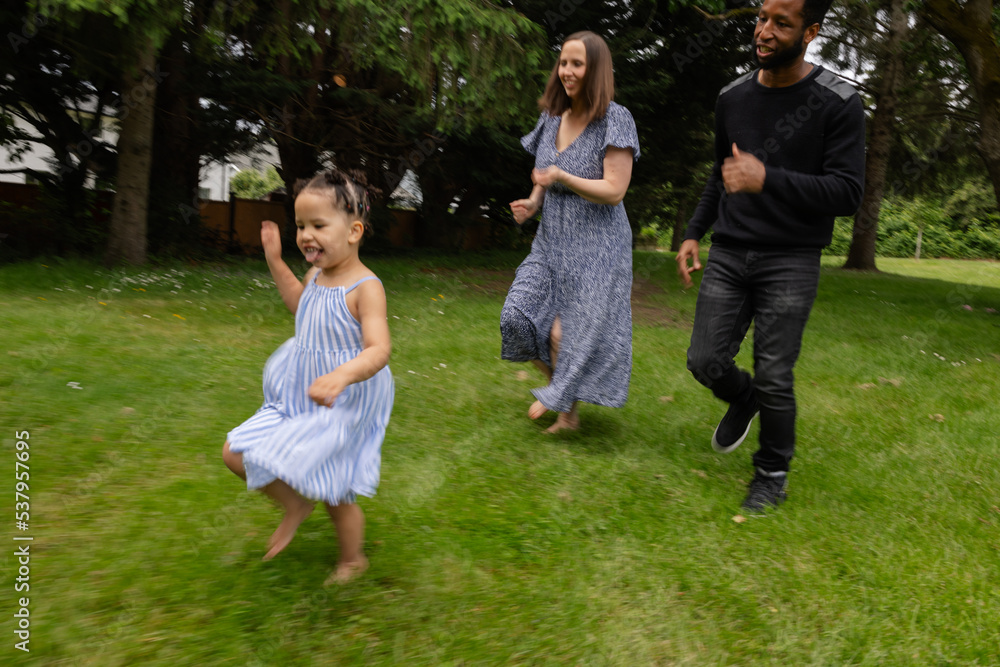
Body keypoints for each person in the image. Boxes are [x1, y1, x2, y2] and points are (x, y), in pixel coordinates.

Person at [676, 0, 865, 511]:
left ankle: (771, 474)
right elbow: (723, 172)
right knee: (704, 359)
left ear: (811, 32)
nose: (764, 31)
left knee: (775, 374)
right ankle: (743, 398)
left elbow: (847, 193)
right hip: (731, 251)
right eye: (762, 18)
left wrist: (769, 178)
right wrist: (695, 232)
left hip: (792, 259)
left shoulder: (839, 102)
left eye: (781, 23)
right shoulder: (732, 98)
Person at [223, 168, 394, 584]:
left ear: (354, 231)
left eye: (318, 225)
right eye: (300, 225)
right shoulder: (316, 274)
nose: (305, 234)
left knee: (335, 490)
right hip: (300, 389)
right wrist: (275, 261)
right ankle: (295, 503)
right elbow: (301, 307)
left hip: (345, 397)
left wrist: (342, 376)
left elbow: (379, 349)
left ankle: (353, 559)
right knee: (234, 451)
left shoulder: (366, 287)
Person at [501, 30, 640, 433]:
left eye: (577, 63)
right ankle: (560, 390)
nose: (567, 70)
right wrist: (532, 202)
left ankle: (567, 414)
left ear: (595, 69)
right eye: (563, 62)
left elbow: (615, 190)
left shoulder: (616, 119)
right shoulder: (551, 119)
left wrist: (563, 175)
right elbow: (545, 175)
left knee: (565, 334)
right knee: (516, 316)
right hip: (551, 241)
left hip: (599, 244)